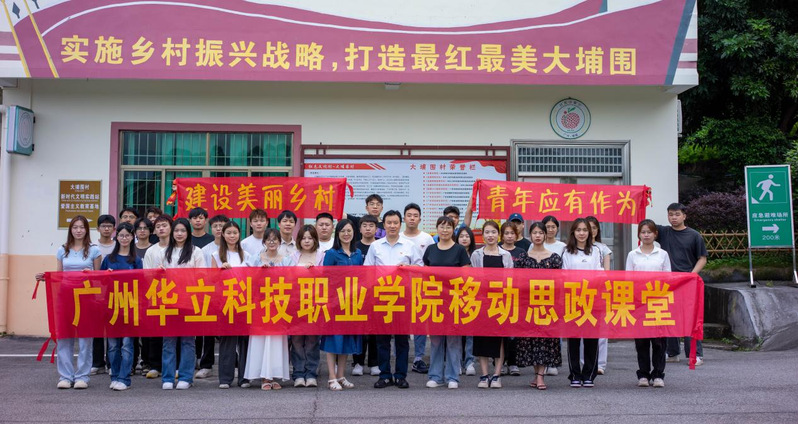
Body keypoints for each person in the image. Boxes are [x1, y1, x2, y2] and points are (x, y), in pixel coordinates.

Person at [35, 215, 101, 389]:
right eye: (75, 227)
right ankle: (65, 376)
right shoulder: (62, 250)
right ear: (70, 230)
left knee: (86, 339)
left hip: (86, 297)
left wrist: (91, 274)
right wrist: (46, 277)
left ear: (87, 230)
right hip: (65, 297)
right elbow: (59, 275)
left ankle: (82, 377)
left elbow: (99, 279)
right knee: (64, 337)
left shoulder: (94, 250)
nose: (78, 230)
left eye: (82, 227)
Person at [364, 210, 423, 389]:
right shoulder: (375, 246)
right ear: (383, 225)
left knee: (401, 339)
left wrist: (408, 267)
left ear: (400, 224)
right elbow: (367, 270)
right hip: (381, 297)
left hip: (402, 297)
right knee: (382, 339)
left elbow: (420, 268)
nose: (392, 226)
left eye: (395, 223)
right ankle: (384, 375)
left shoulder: (409, 245)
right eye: (389, 223)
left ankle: (400, 375)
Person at [155, 218, 205, 390]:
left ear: (188, 233)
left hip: (189, 302)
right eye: (176, 230)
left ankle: (185, 377)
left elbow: (202, 277)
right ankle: (168, 377)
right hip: (169, 302)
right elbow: (156, 278)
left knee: (188, 341)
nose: (179, 234)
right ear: (172, 232)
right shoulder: (164, 252)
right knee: (168, 341)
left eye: (183, 230)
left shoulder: (196, 252)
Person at [657, 203, 707, 366]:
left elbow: (702, 258)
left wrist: (691, 276)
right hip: (668, 283)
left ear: (684, 216)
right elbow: (645, 226)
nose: (674, 217)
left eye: (677, 214)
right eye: (671, 214)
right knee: (669, 317)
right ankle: (672, 352)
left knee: (689, 318)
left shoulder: (694, 235)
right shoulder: (663, 232)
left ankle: (695, 354)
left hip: (687, 282)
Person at [515, 221, 564, 391]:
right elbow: (517, 282)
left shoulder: (554, 258)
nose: (537, 236)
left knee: (544, 339)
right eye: (534, 233)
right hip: (528, 305)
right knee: (531, 340)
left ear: (545, 235)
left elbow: (560, 282)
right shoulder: (523, 258)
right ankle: (537, 374)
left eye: (540, 233)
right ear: (530, 235)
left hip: (547, 306)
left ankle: (541, 376)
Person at [424, 216, 471, 390]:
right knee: (436, 340)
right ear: (437, 229)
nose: (445, 230)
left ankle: (452, 376)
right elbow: (424, 273)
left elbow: (467, 275)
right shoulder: (430, 249)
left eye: (448, 227)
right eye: (442, 227)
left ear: (453, 229)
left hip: (454, 301)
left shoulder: (459, 250)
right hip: (434, 300)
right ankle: (435, 376)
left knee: (453, 340)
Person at [245, 228, 292, 390]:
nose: (272, 242)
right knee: (261, 340)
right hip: (260, 304)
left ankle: (274, 375)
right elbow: (246, 279)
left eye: (275, 239)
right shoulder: (255, 258)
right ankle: (264, 377)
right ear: (264, 242)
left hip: (279, 305)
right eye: (269, 239)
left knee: (277, 340)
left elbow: (291, 280)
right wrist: (259, 271)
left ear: (279, 242)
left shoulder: (286, 260)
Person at [627, 219, 671, 388]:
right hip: (639, 303)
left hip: (658, 302)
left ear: (655, 234)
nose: (646, 235)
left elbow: (668, 277)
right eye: (643, 232)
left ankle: (658, 374)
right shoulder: (633, 254)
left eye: (649, 232)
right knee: (641, 341)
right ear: (639, 234)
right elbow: (628, 279)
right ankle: (643, 374)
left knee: (659, 340)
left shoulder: (662, 254)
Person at [321, 219, 363, 390]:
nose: (346, 234)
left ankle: (341, 375)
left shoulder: (357, 253)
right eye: (343, 231)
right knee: (333, 340)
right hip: (335, 303)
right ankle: (331, 377)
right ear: (337, 234)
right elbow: (325, 278)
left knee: (346, 339)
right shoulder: (332, 253)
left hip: (351, 304)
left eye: (349, 231)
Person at [470, 221, 513, 389]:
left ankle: (497, 375)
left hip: (500, 302)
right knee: (482, 338)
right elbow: (472, 279)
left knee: (499, 339)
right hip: (481, 302)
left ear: (498, 234)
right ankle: (484, 374)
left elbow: (510, 280)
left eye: (493, 232)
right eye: (487, 232)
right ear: (482, 235)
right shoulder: (476, 254)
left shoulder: (506, 255)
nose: (490, 235)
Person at [100, 222, 143, 391]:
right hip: (112, 305)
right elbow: (100, 282)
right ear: (116, 237)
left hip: (130, 306)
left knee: (127, 345)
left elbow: (141, 283)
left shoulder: (136, 260)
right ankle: (115, 375)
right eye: (121, 235)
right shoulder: (108, 259)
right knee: (112, 346)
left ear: (132, 237)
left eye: (127, 235)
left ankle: (125, 378)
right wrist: (107, 276)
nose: (124, 238)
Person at [561, 217, 603, 388]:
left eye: (585, 230)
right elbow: (564, 275)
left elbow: (599, 273)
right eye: (578, 230)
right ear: (573, 232)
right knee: (573, 339)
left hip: (591, 299)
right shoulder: (567, 251)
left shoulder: (595, 251)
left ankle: (589, 375)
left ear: (590, 232)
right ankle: (575, 374)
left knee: (591, 338)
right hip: (573, 299)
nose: (582, 233)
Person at [211, 221, 252, 389]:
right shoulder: (216, 255)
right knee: (227, 341)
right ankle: (225, 378)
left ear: (239, 234)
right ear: (223, 234)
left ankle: (244, 378)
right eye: (228, 233)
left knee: (244, 341)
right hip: (225, 301)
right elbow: (212, 280)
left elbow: (251, 278)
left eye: (235, 233)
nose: (232, 236)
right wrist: (221, 272)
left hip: (243, 301)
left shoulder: (246, 255)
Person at [289, 225, 325, 388]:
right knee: (296, 340)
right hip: (296, 303)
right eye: (304, 238)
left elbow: (327, 278)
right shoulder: (293, 256)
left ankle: (311, 373)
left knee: (312, 340)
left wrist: (315, 271)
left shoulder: (321, 255)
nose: (307, 241)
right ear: (299, 240)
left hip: (315, 303)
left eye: (310, 238)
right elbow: (287, 278)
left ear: (315, 239)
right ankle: (298, 373)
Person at [403, 203, 434, 375]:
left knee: (420, 322)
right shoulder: (399, 237)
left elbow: (430, 262)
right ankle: (401, 356)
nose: (412, 218)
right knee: (401, 322)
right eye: (409, 215)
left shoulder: (427, 238)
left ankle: (418, 358)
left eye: (415, 215)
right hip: (401, 287)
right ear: (404, 218)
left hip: (422, 285)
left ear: (420, 218)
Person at [141, 214, 172, 379]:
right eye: (158, 226)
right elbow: (146, 274)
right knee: (155, 332)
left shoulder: (177, 248)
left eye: (164, 225)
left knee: (173, 333)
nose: (161, 229)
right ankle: (155, 365)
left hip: (174, 295)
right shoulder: (151, 251)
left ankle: (173, 365)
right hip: (156, 294)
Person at [352, 214, 380, 377]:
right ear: (360, 229)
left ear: (376, 229)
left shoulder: (380, 246)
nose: (368, 228)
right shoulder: (354, 247)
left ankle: (374, 363)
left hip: (377, 294)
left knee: (375, 330)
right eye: (365, 225)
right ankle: (358, 362)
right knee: (359, 330)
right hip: (358, 294)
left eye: (371, 226)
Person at [585, 216, 612, 375]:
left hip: (600, 291)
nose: (591, 231)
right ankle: (584, 362)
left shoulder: (603, 248)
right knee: (582, 327)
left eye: (594, 228)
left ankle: (600, 364)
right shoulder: (577, 247)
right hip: (582, 291)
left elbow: (607, 272)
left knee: (601, 329)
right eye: (588, 228)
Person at [91, 214, 116, 375]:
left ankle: (111, 363)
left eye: (109, 226)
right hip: (96, 292)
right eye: (103, 226)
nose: (106, 229)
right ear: (98, 228)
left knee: (113, 328)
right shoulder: (92, 247)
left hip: (115, 293)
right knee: (97, 329)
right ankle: (97, 362)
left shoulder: (118, 246)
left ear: (114, 229)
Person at [455, 225, 477, 376]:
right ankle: (456, 362)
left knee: (470, 332)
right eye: (461, 236)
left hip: (472, 296)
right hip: (455, 296)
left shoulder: (476, 255)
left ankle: (469, 362)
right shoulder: (453, 252)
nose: (464, 239)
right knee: (456, 332)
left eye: (467, 236)